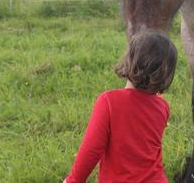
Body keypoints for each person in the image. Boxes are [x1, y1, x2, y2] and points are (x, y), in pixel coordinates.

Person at [65, 32, 177, 183]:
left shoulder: (109, 102)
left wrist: (73, 180)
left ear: (130, 60)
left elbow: (91, 149)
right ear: (166, 73)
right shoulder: (162, 106)